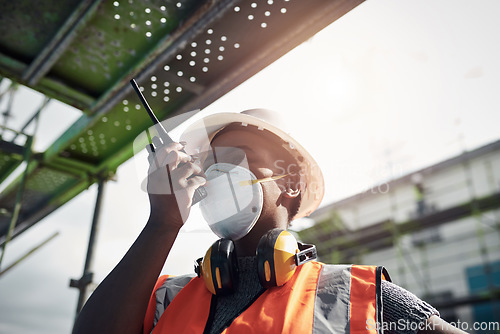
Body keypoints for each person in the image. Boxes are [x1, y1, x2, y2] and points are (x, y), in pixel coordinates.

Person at [73, 110, 466, 334]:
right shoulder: (163, 297)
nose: (214, 174)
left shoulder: (359, 296)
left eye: (237, 156)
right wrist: (162, 225)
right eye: (209, 164)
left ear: (290, 183)